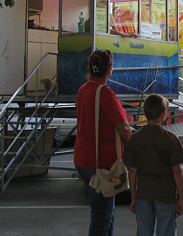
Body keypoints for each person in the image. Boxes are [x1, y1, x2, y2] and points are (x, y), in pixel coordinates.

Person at [74, 49, 132, 236]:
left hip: (83, 158)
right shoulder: (105, 93)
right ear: (109, 69)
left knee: (106, 210)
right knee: (102, 216)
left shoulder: (83, 89)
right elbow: (124, 128)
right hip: (102, 163)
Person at [124, 94, 183, 236]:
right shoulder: (171, 138)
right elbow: (177, 171)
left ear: (145, 114)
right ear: (164, 115)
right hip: (166, 194)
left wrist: (133, 198)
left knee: (144, 232)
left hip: (143, 193)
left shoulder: (135, 138)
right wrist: (181, 199)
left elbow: (132, 172)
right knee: (166, 231)